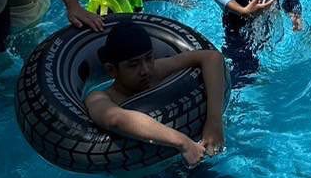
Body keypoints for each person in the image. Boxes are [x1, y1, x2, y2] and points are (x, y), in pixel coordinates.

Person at [85, 19, 226, 168]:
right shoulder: (99, 98)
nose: (145, 70)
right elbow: (115, 118)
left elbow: (212, 57)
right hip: (142, 175)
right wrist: (182, 142)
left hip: (193, 154)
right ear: (111, 70)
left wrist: (214, 121)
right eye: (133, 65)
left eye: (149, 58)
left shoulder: (156, 71)